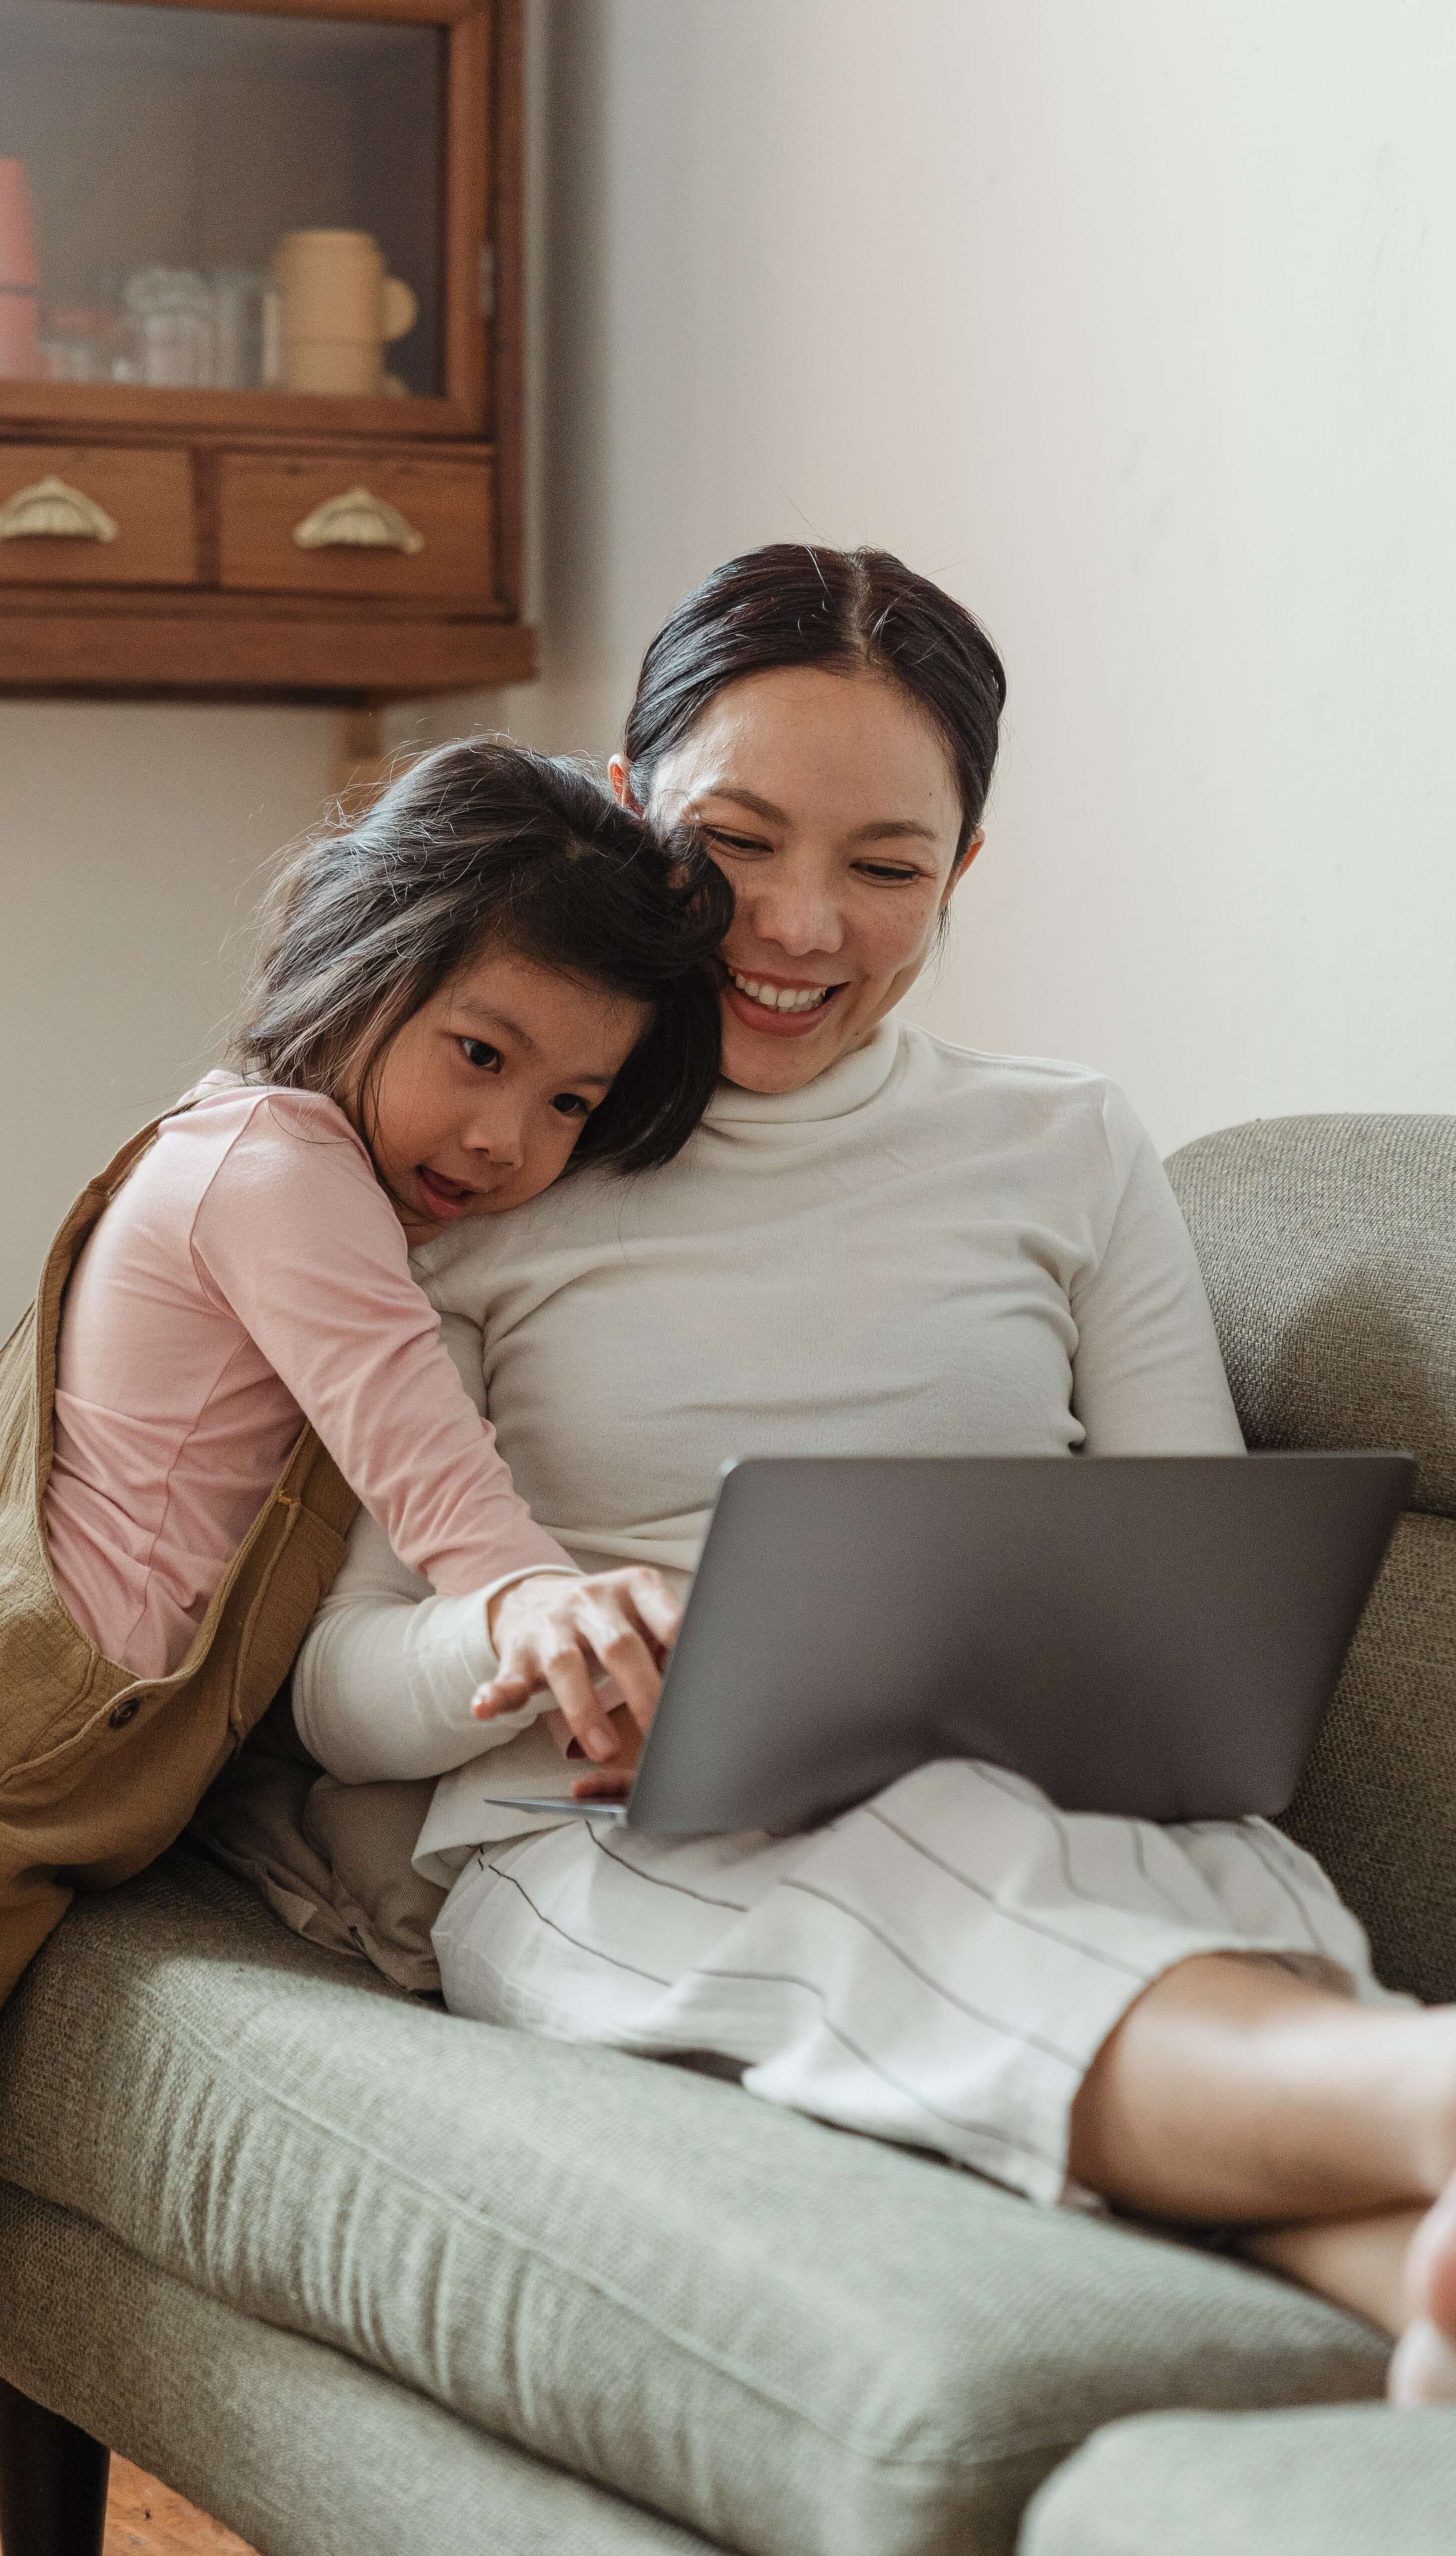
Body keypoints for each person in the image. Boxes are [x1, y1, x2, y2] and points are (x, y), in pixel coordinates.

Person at [292, 545, 1456, 2407]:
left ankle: (1413, 2266)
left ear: (960, 876)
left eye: (885, 869)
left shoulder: (1063, 1146)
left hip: (1071, 1799)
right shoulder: (500, 1157)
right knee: (946, 1874)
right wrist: (531, 1628)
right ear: (622, 806)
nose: (795, 927)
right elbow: (340, 1694)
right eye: (732, 843)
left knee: (1090, 1874)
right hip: (614, 1838)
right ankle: (1425, 2096)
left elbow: (1201, 1589)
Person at [0, 741, 730, 2369]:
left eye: (568, 1104)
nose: (505, 1136)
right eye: (479, 1052)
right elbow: (424, 1458)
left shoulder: (256, 1155)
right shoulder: (281, 1174)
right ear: (356, 959)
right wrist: (541, 1600)